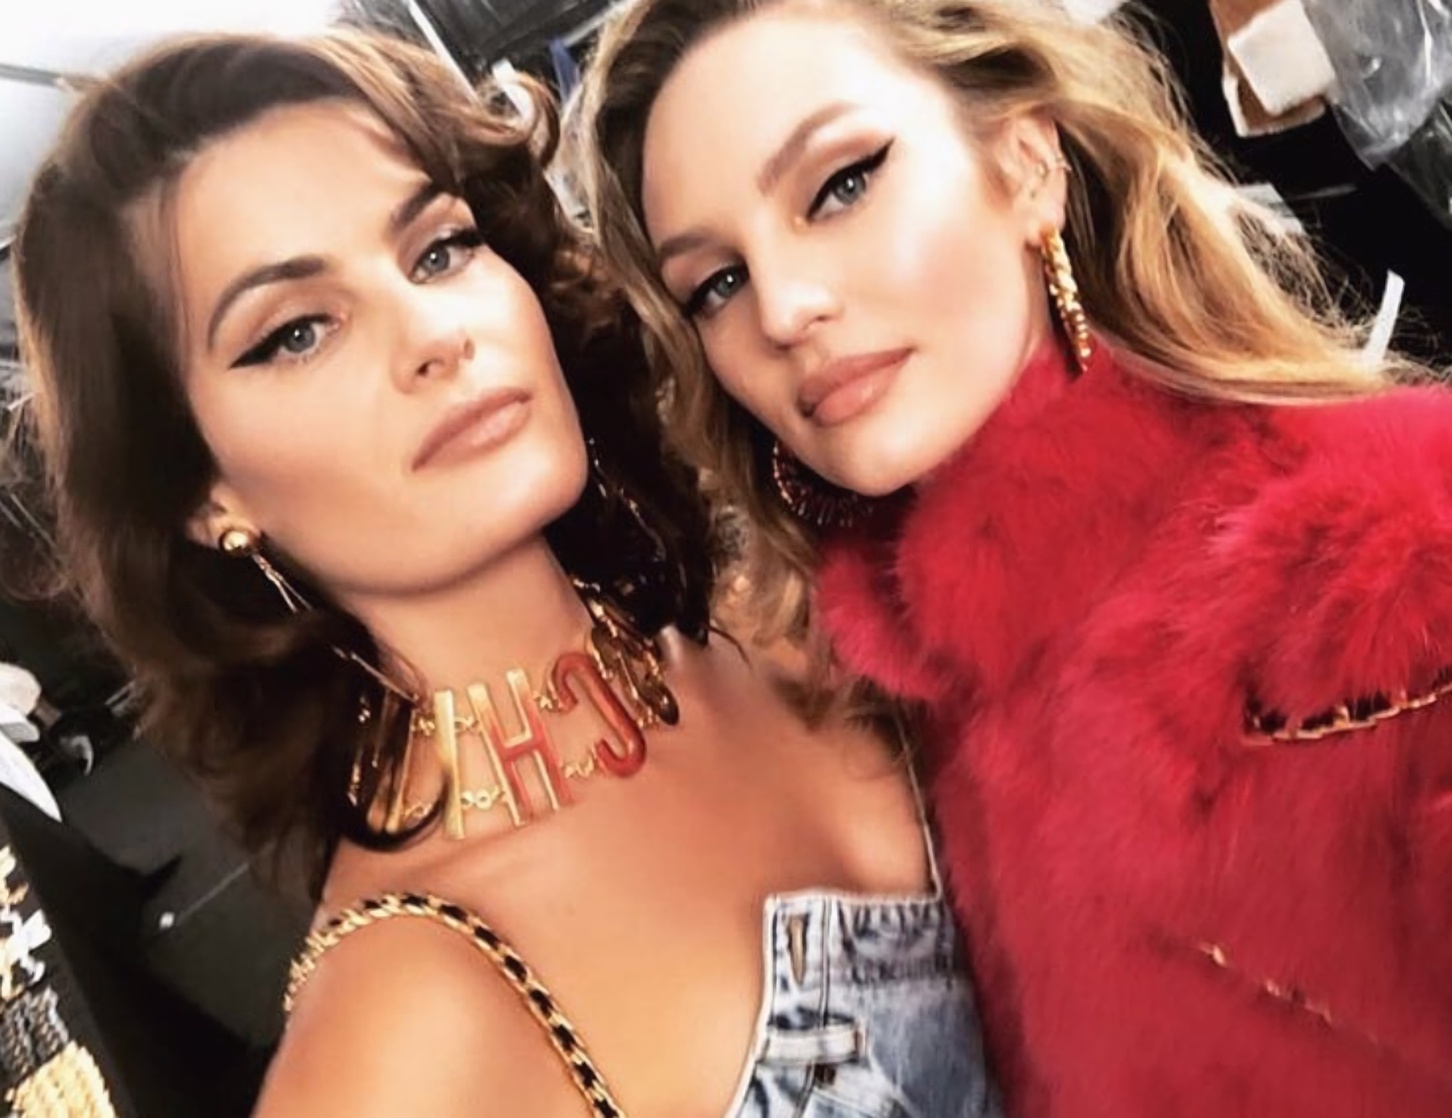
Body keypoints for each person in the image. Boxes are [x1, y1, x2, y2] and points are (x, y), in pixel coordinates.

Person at [10, 29, 1000, 1118]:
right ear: (206, 497)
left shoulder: (784, 612)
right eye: (295, 333)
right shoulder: (397, 1040)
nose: (434, 331)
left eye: (439, 250)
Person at [577, 1, 1452, 1115]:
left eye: (840, 186)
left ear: (1027, 162)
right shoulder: (888, 713)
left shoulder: (1398, 567)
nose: (785, 310)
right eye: (717, 283)